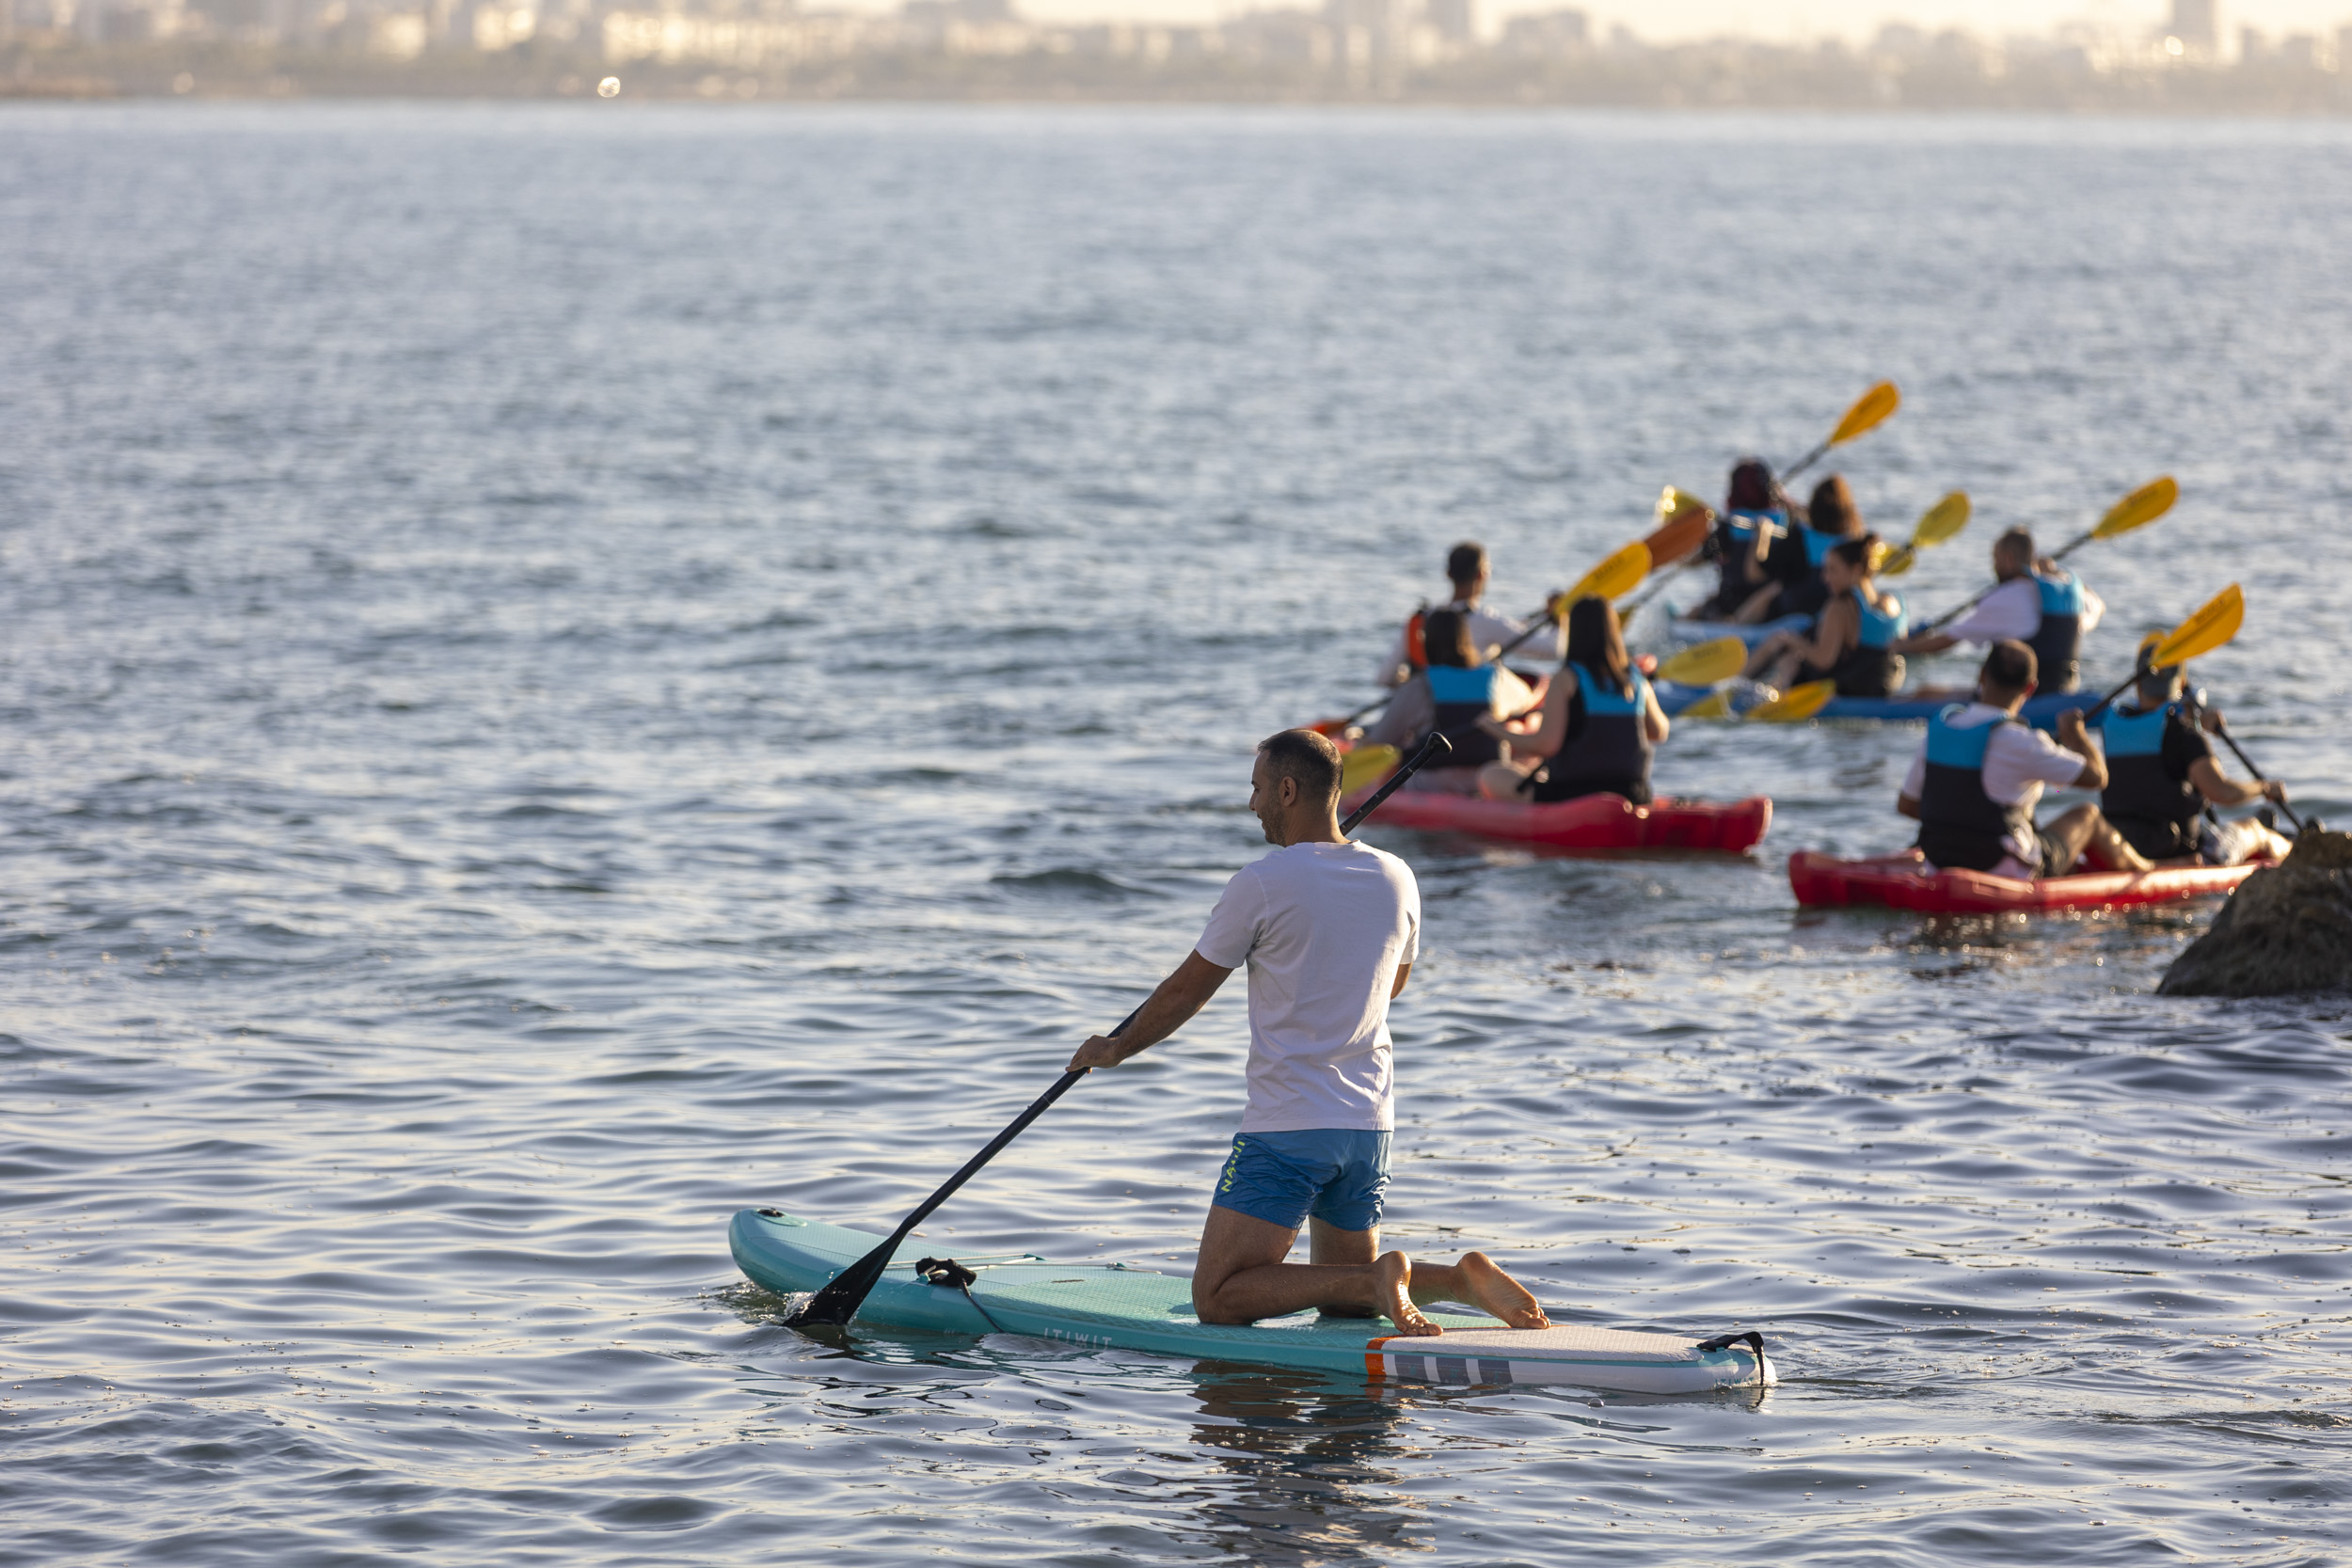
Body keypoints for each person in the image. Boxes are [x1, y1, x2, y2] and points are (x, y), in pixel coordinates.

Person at [1065, 729, 1552, 1337]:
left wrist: (1115, 1048)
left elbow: (1187, 990)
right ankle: (1455, 1279)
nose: (1252, 803)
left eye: (1258, 787)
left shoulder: (1262, 882)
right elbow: (1390, 986)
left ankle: (1382, 1279)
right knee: (1342, 1302)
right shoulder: (1397, 875)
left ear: (1288, 790)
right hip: (1367, 1125)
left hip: (1290, 1124)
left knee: (1217, 1297)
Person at [1897, 640, 2151, 879]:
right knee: (2089, 815)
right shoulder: (2025, 741)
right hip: (2001, 865)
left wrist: (1957, 818)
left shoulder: (1941, 730)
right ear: (2030, 688)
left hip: (1938, 860)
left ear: (1982, 675)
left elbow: (1907, 805)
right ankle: (2148, 870)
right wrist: (2076, 735)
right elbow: (2097, 778)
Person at [2091, 633, 2294, 865]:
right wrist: (2265, 788)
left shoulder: (2111, 726)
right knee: (2254, 829)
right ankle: (2293, 849)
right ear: (2182, 683)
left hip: (2119, 847)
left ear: (2138, 684)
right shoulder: (2182, 733)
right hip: (2178, 852)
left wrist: (2196, 723)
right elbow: (2221, 792)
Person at [1477, 596, 1669, 805]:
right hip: (1632, 793)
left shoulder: (1566, 679)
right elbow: (1658, 732)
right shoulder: (1635, 678)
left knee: (1491, 774)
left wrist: (1497, 730)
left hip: (1573, 794)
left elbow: (1546, 746)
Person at [1892, 527, 2105, 694]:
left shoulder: (2004, 598)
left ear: (2008, 558)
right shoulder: (2065, 595)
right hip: (2065, 687)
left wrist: (1904, 646)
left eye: (1995, 558)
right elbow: (2097, 607)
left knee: (1925, 693)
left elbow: (1948, 640)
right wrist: (2055, 571)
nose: (1993, 566)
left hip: (2017, 698)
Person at [1359, 610, 1536, 793]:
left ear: (1427, 643)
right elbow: (1527, 700)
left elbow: (1382, 739)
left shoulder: (1420, 684)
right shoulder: (1497, 676)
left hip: (1432, 783)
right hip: (1489, 778)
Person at [1740, 534, 1908, 698]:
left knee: (1781, 643)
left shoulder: (1840, 607)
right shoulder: (1892, 602)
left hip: (1848, 686)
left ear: (1856, 570)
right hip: (1885, 680)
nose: (1825, 578)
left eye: (1832, 570)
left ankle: (1738, 687)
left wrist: (1790, 640)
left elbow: (1823, 660)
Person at [1376, 541, 1560, 688]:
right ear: (1481, 574)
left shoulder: (1422, 619)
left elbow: (1385, 677)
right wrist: (1559, 620)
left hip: (1423, 707)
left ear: (1448, 574)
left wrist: (1411, 686)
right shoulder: (1488, 621)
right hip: (1469, 713)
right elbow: (1551, 650)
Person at [1693, 457, 1788, 623]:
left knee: (1705, 606)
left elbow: (1696, 560)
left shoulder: (1729, 525)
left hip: (1734, 602)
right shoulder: (1787, 521)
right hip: (1770, 607)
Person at [1766, 474, 1867, 622]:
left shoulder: (1799, 534)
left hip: (1796, 607)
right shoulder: (1854, 540)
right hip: (1835, 606)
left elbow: (1775, 569)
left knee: (1773, 588)